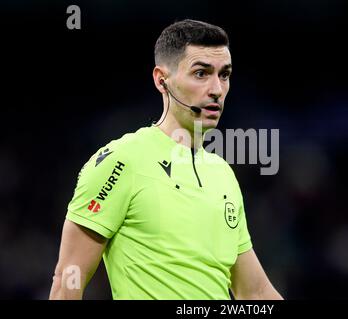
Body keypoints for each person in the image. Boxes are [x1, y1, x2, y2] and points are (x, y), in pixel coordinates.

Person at [49, 19, 283, 300]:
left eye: (224, 75)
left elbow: (254, 292)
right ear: (162, 80)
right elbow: (67, 280)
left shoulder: (222, 174)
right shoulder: (122, 161)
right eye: (201, 73)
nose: (217, 89)